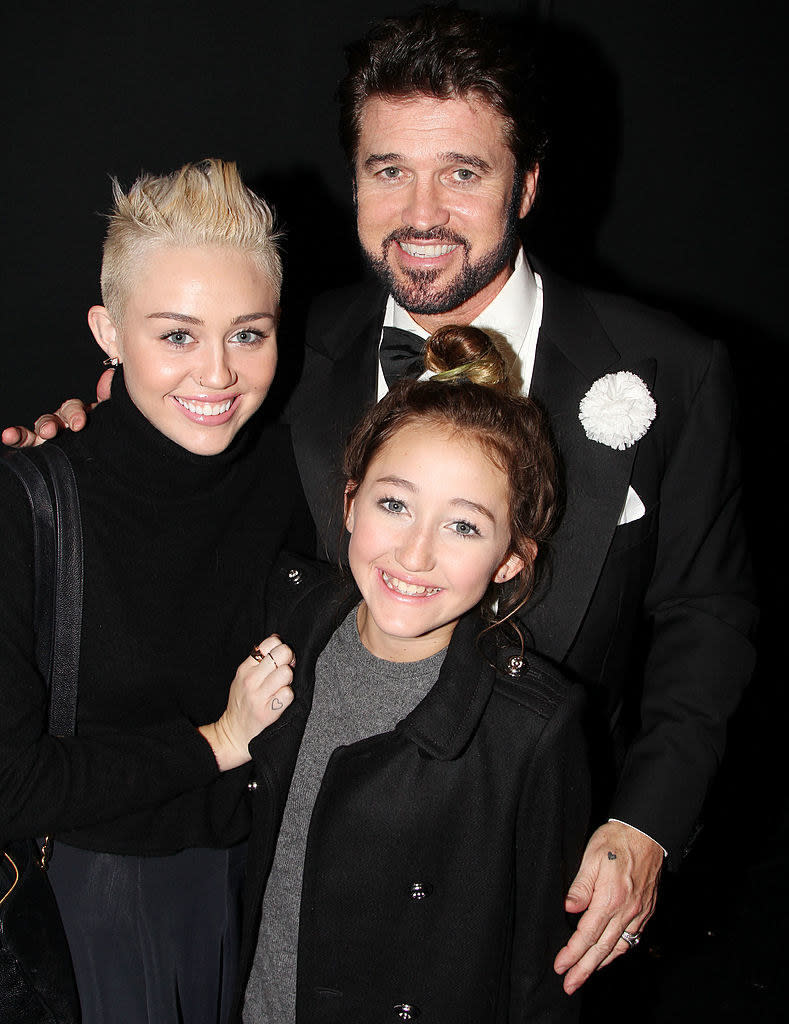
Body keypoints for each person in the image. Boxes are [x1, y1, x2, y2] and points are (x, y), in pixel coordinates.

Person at [5, 3, 758, 998]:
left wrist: (648, 821)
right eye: (389, 169)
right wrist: (71, 433)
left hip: (548, 873)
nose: (421, 212)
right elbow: (168, 441)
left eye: (464, 171)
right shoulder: (289, 350)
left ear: (527, 182)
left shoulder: (674, 368)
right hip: (306, 867)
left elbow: (708, 615)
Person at [0, 158, 314, 1023]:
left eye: (247, 333)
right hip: (96, 905)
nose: (216, 374)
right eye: (176, 335)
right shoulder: (27, 500)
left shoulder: (298, 473)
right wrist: (215, 741)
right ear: (107, 332)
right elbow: (8, 783)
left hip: (266, 882)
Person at [235, 324, 590, 1023]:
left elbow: (538, 975)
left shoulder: (530, 728)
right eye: (393, 504)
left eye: (462, 526)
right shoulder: (289, 628)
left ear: (510, 559)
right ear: (349, 504)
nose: (414, 553)